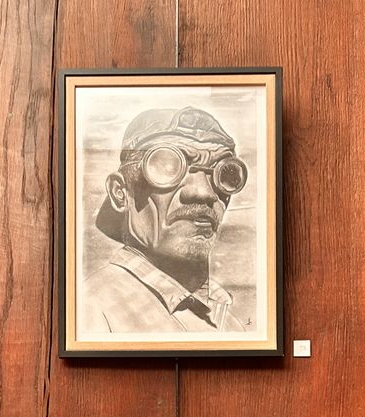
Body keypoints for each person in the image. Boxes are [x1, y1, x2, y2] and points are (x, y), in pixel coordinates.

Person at [84, 107, 250, 334]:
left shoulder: (229, 322)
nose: (204, 192)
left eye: (224, 174)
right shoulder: (92, 312)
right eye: (168, 167)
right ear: (120, 192)